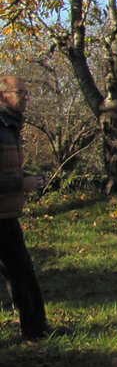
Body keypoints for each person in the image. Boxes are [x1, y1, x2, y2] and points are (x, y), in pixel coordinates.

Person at [0, 75, 49, 340]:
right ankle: (35, 329)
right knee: (20, 272)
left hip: (6, 214)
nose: (27, 97)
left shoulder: (11, 126)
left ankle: (35, 329)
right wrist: (22, 182)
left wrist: (31, 177)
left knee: (22, 273)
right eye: (22, 93)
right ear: (3, 94)